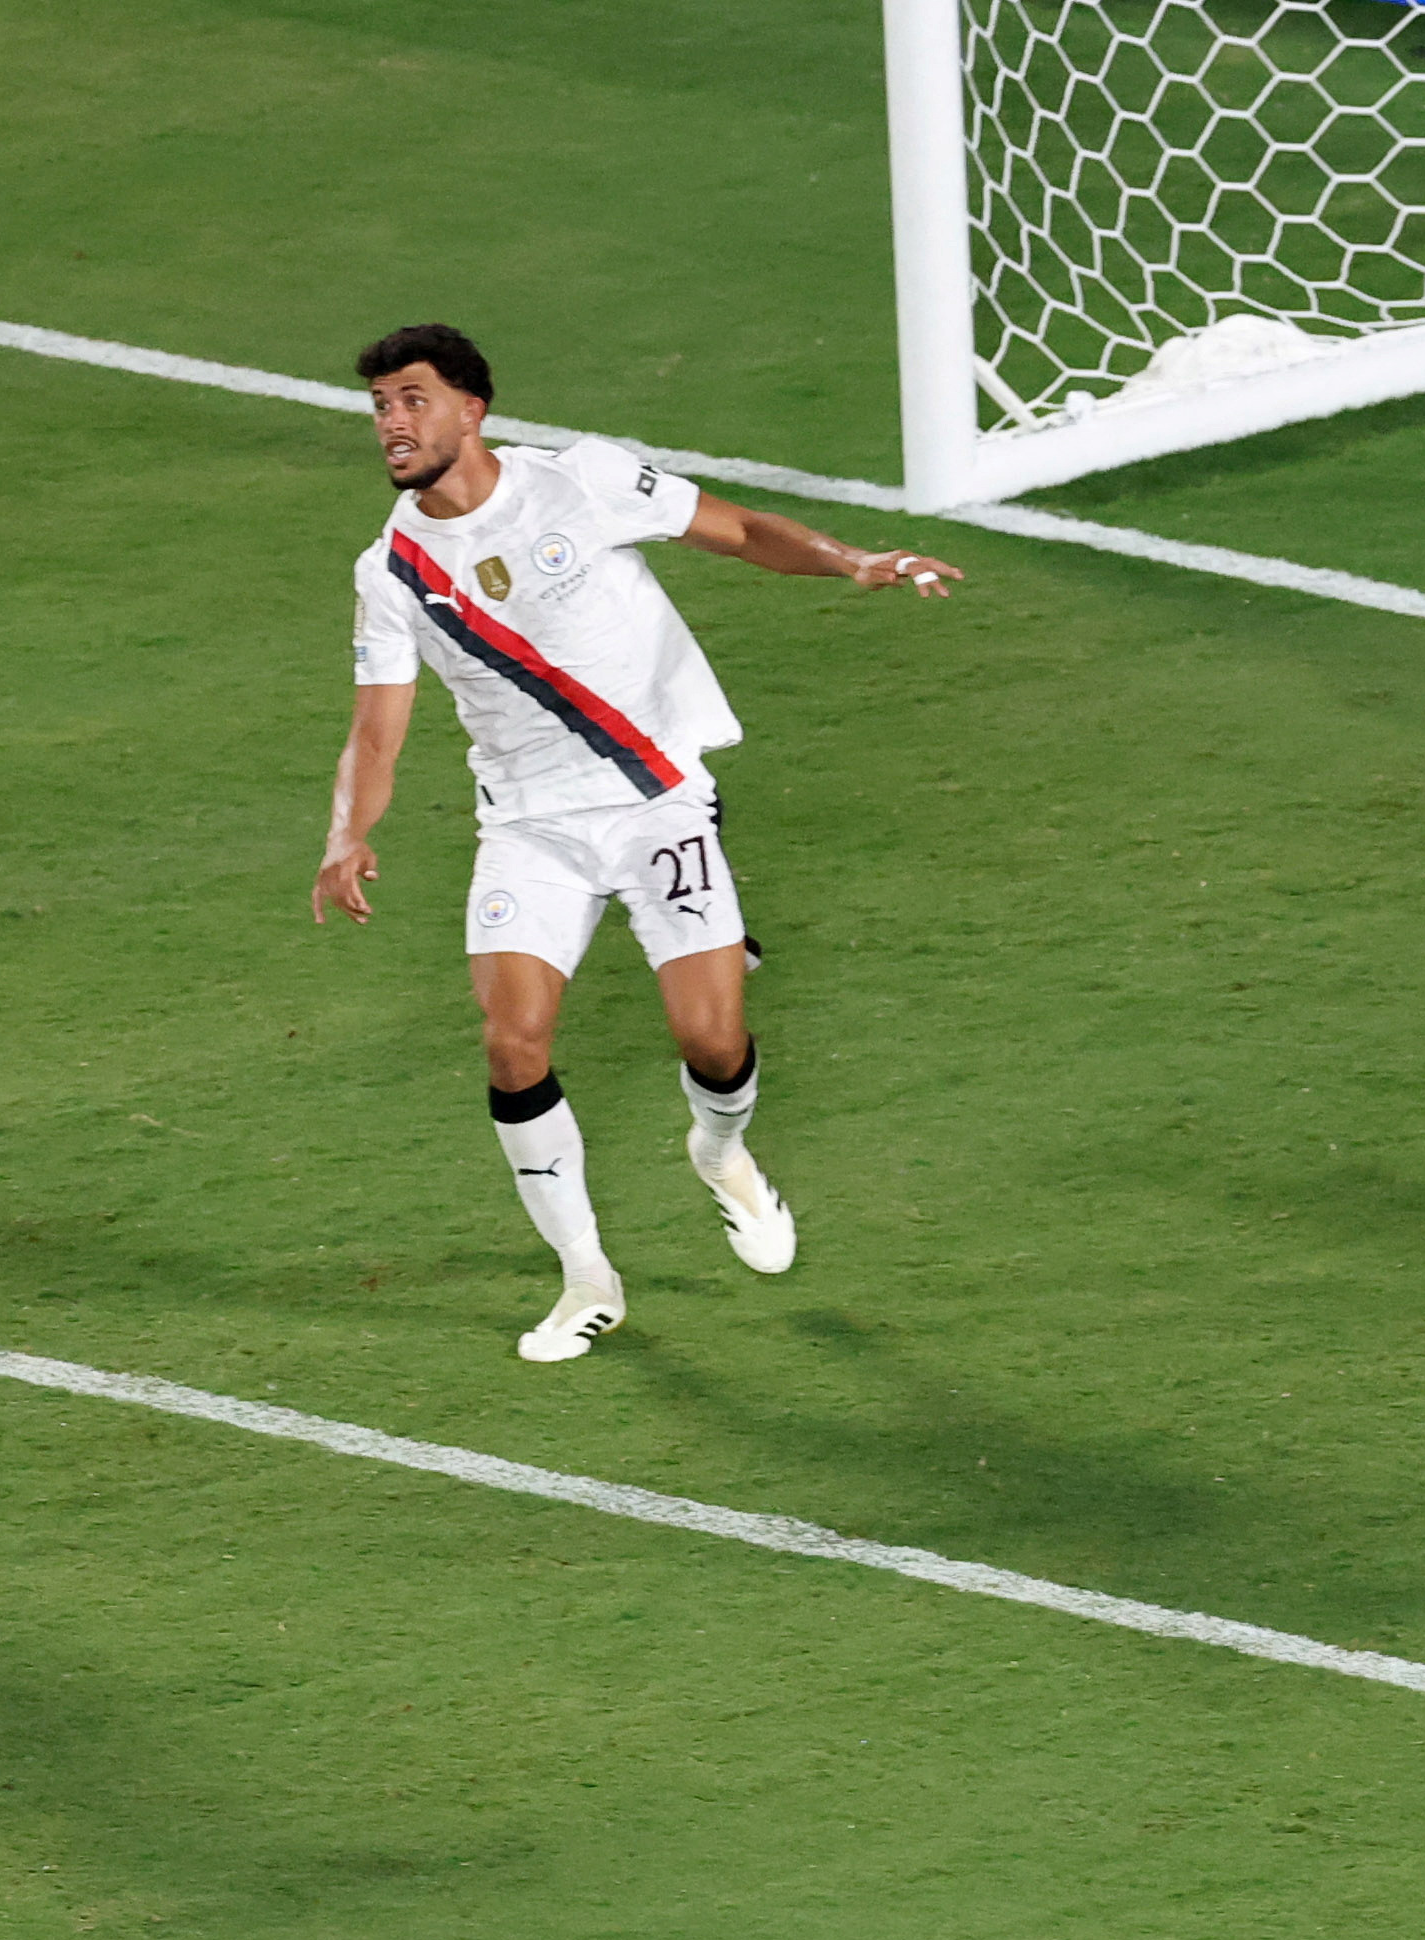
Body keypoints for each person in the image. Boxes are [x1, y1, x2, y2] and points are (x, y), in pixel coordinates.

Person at [309, 324, 963, 1363]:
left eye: (412, 398)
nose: (392, 421)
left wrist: (855, 563)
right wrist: (350, 832)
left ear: (473, 409)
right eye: (381, 404)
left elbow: (739, 531)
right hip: (528, 825)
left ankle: (722, 1152)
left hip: (658, 801)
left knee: (712, 1043)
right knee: (513, 1040)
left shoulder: (585, 483)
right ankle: (586, 1277)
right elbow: (377, 725)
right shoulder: (391, 572)